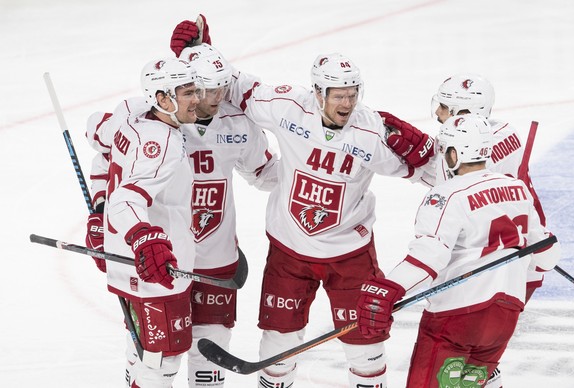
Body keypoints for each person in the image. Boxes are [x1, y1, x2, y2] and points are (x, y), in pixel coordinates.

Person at [170, 18, 434, 387]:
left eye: (352, 93)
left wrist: (427, 152)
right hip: (289, 252)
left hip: (349, 254)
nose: (347, 102)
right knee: (278, 344)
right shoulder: (286, 107)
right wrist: (197, 57)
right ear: (318, 92)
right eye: (338, 95)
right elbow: (233, 86)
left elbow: (442, 178)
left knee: (364, 347)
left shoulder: (374, 133)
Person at [87, 43, 279, 388]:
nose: (215, 96)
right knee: (156, 358)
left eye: (222, 86)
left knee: (204, 354)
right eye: (200, 90)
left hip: (208, 253)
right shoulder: (153, 126)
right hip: (160, 259)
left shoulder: (230, 122)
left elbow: (266, 173)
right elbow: (111, 163)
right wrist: (107, 213)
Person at [356, 114, 561, 388]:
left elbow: (429, 256)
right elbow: (547, 258)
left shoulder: (446, 195)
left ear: (454, 153)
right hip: (504, 318)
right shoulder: (518, 189)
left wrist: (389, 287)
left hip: (456, 319)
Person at [85, 57, 204, 387]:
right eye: (188, 93)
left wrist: (98, 211)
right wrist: (145, 238)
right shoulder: (163, 144)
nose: (198, 98)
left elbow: (96, 135)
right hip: (156, 267)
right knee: (162, 359)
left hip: (122, 257)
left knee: (139, 348)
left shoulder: (129, 111)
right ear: (163, 100)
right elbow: (127, 199)